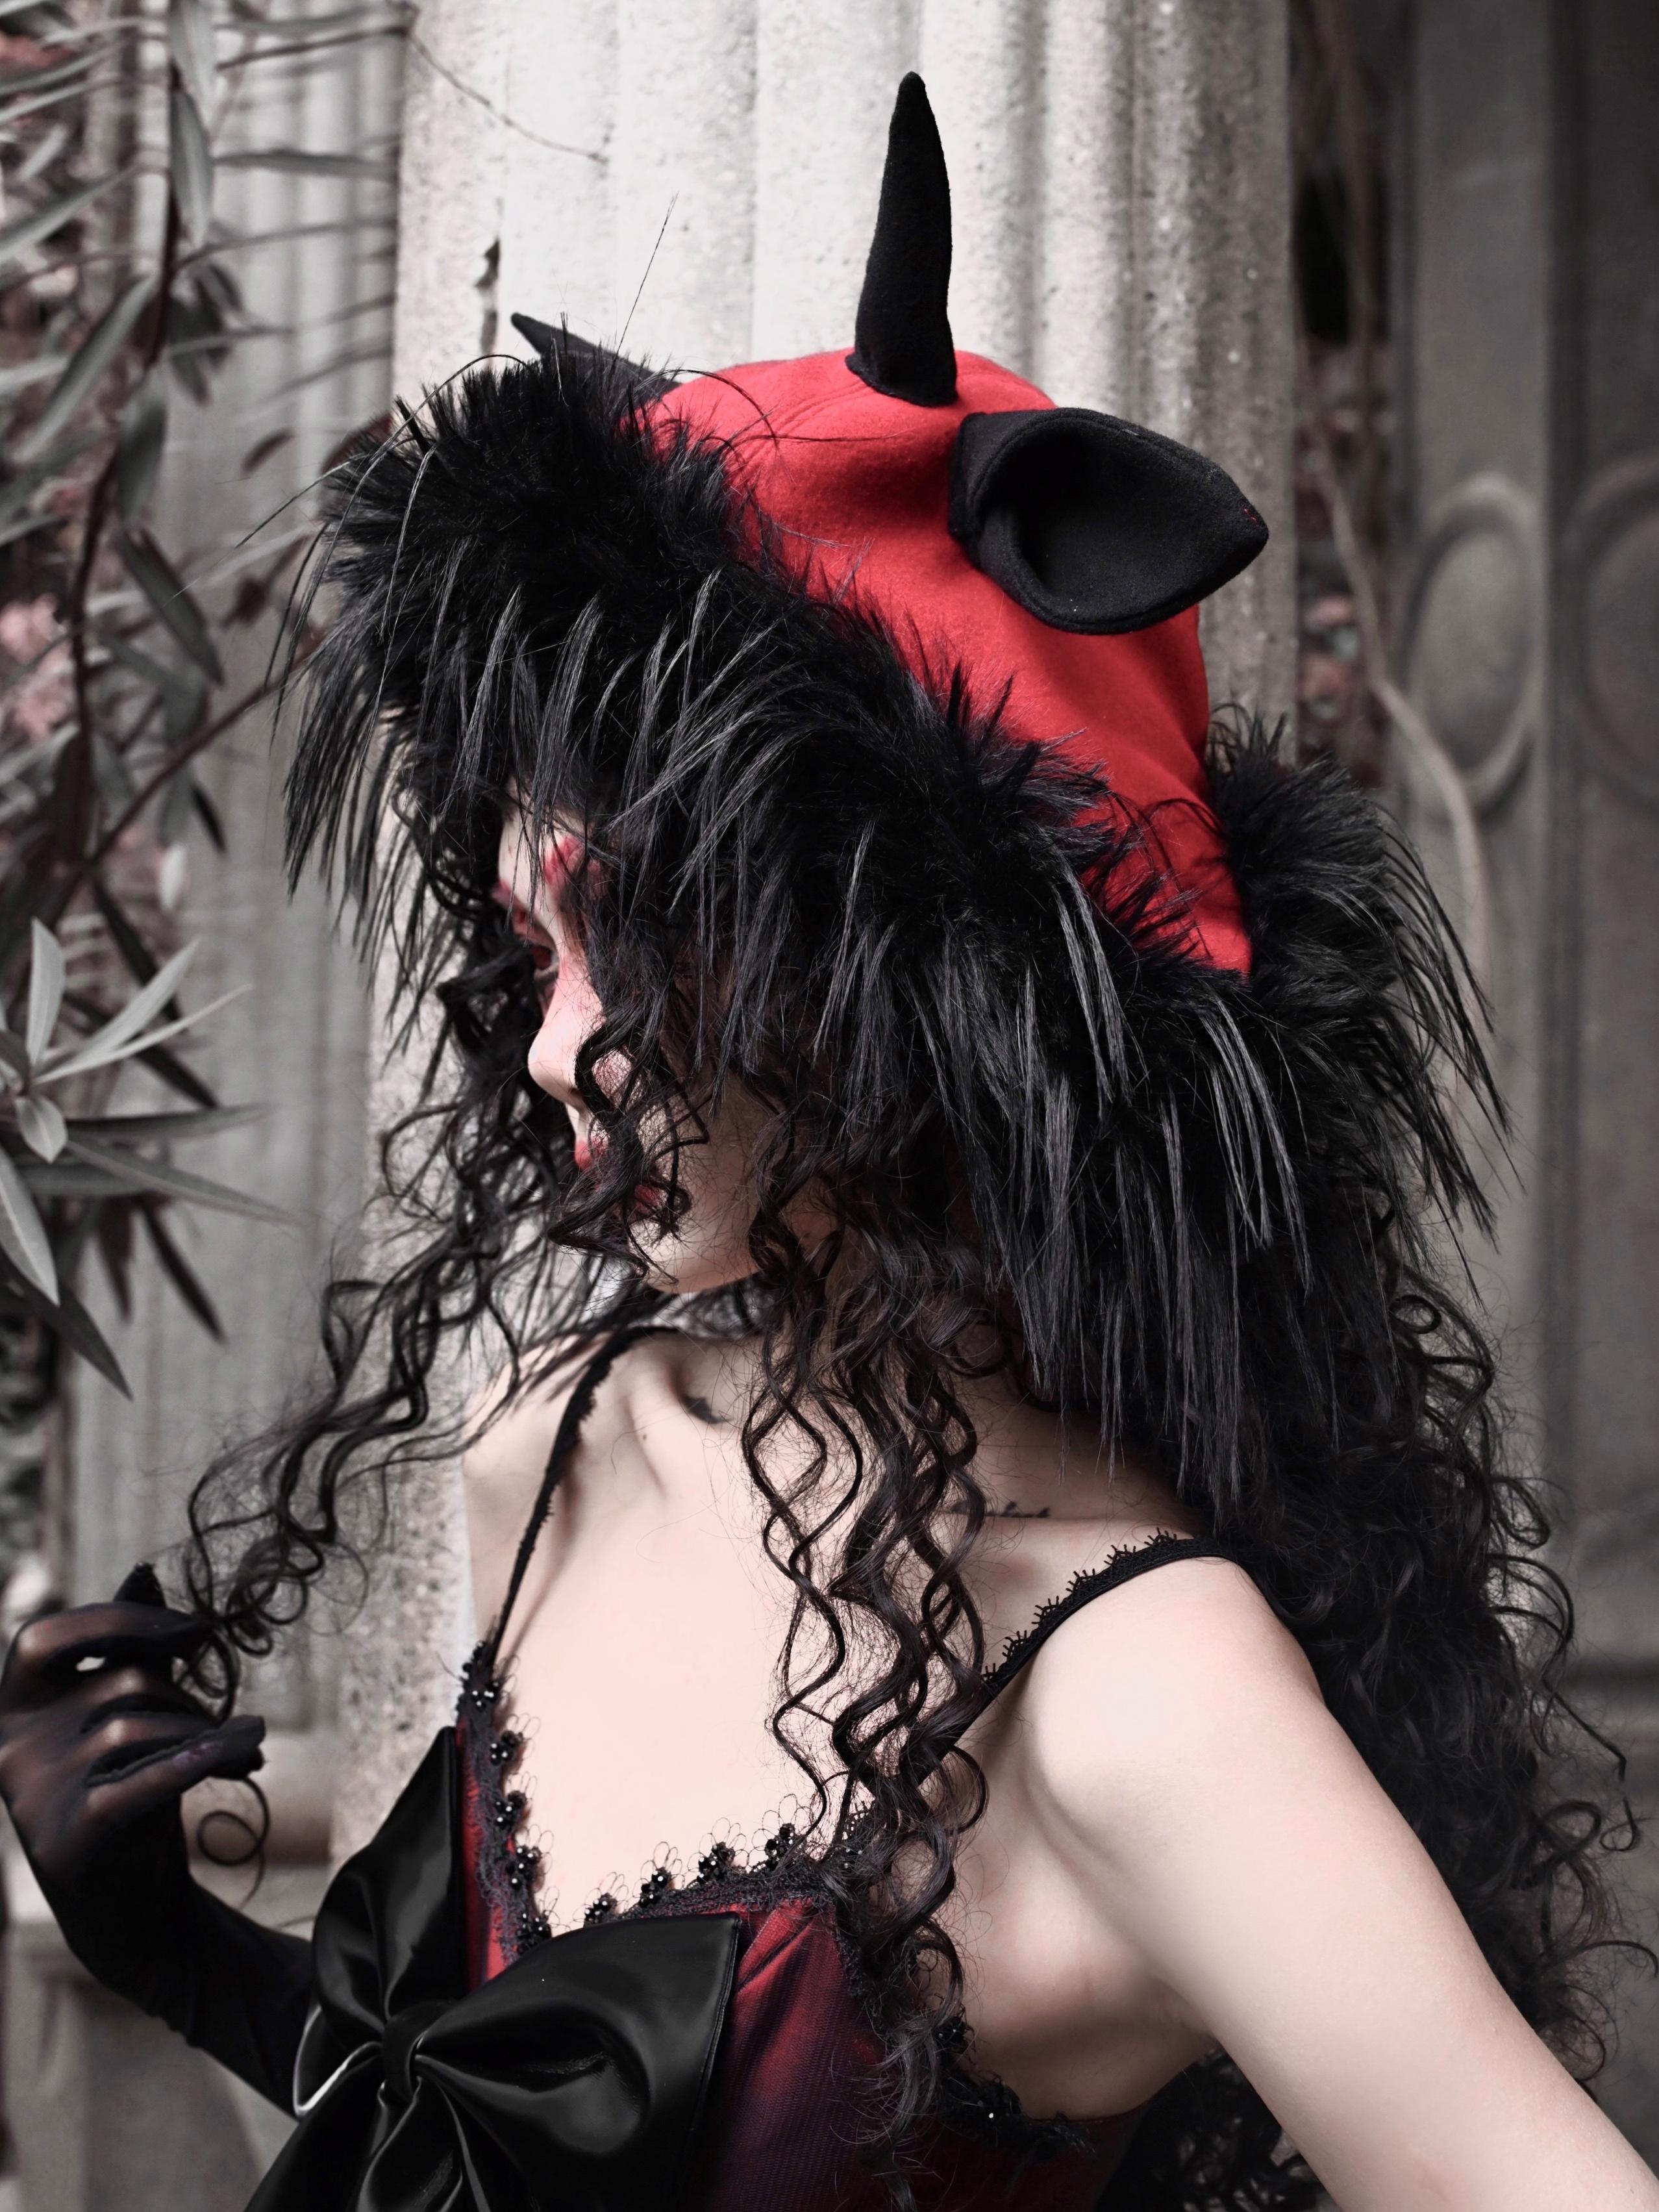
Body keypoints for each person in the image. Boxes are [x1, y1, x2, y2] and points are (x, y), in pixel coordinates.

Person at [0, 75, 1653, 2212]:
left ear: (892, 983)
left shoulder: (1137, 1706)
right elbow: (500, 2138)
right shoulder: (558, 1441)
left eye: (622, 944)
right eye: (529, 949)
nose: (552, 1048)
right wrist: (177, 1955)